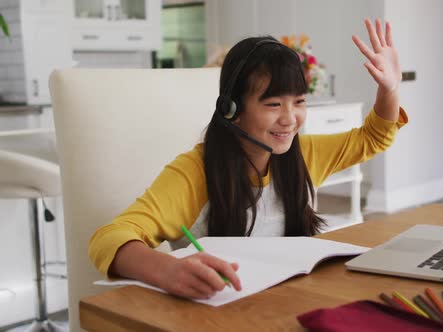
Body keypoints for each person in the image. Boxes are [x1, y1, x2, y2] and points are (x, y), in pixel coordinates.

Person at [88, 18, 408, 300]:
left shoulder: (304, 154)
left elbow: (374, 137)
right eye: (272, 104)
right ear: (232, 109)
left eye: (298, 101)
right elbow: (108, 238)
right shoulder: (194, 171)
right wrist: (168, 270)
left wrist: (390, 89)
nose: (290, 118)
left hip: (291, 302)